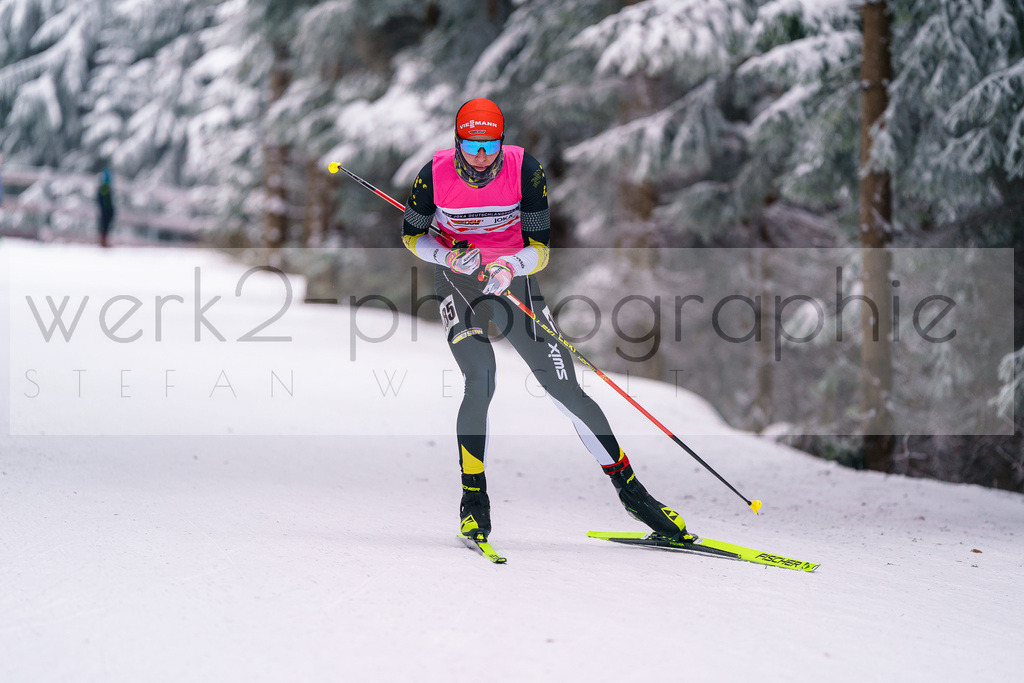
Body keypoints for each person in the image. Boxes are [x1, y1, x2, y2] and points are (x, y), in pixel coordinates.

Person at [401, 98, 691, 542]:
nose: (482, 156)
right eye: (472, 146)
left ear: (502, 141)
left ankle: (633, 494)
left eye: (491, 145)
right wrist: (447, 255)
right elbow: (411, 236)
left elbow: (540, 249)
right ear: (458, 142)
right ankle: (474, 502)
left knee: (564, 387)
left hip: (511, 275)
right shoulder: (432, 176)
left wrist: (508, 268)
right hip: (458, 279)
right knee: (482, 377)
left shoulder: (525, 171)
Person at [97, 167, 115, 247]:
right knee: (104, 226)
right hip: (106, 210)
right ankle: (103, 242)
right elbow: (105, 199)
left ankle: (104, 241)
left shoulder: (106, 187)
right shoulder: (105, 188)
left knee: (105, 226)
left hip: (106, 209)